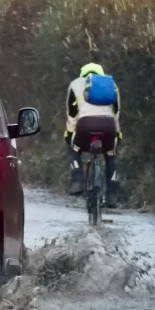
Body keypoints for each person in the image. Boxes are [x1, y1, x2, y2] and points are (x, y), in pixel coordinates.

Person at [63, 62, 122, 208]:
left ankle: (77, 180)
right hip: (108, 126)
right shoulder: (112, 85)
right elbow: (116, 113)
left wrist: (69, 134)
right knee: (110, 154)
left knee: (74, 149)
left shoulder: (75, 84)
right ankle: (112, 194)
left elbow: (71, 113)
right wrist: (117, 135)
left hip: (85, 125)